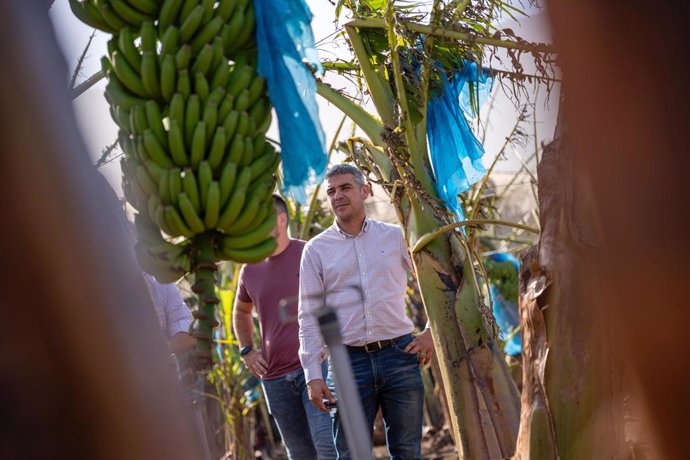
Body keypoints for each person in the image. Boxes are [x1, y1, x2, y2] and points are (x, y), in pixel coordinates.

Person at [298, 164, 435, 459]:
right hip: (346, 362)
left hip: (400, 354)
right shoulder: (316, 250)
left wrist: (431, 332)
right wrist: (312, 374)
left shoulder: (396, 237)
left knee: (408, 451)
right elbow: (308, 315)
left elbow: (432, 284)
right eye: (331, 191)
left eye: (345, 188)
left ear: (365, 191)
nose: (337, 196)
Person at [233, 195, 336, 460]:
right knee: (299, 454)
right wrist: (247, 350)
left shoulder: (309, 253)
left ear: (281, 219)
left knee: (327, 446)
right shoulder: (249, 269)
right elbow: (241, 311)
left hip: (315, 368)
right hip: (274, 377)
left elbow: (336, 299)